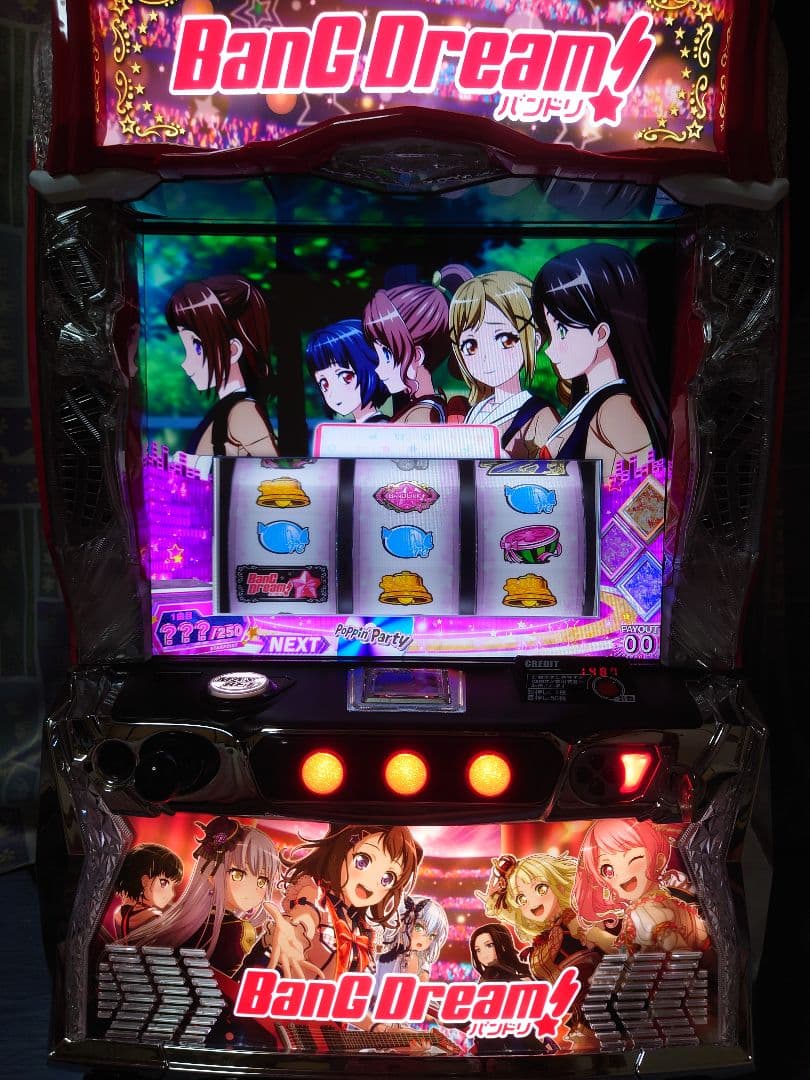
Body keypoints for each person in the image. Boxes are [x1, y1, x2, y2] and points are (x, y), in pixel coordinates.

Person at [531, 243, 668, 474]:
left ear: (601, 333)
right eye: (549, 331)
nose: (550, 349)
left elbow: (654, 486)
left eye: (561, 330)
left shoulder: (615, 408)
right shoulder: (593, 402)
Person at [125, 816, 316, 980]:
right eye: (238, 875)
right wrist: (263, 950)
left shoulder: (179, 923)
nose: (252, 889)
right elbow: (231, 990)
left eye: (262, 881)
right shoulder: (239, 930)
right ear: (211, 875)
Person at [280, 824, 423, 980]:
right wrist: (292, 935)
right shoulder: (315, 895)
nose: (371, 882)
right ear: (341, 852)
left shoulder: (362, 928)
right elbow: (305, 916)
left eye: (387, 878)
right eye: (363, 861)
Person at [445, 267, 558, 457]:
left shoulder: (540, 415)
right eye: (470, 345)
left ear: (535, 341)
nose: (486, 357)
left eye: (505, 339)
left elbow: (561, 471)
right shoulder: (477, 411)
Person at [165, 275, 278, 455]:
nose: (186, 363)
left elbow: (272, 466)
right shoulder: (227, 410)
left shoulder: (243, 412)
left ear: (233, 350)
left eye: (197, 347)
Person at [571, 817, 710, 954]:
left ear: (659, 861)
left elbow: (623, 952)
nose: (622, 874)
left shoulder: (645, 910)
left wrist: (595, 935)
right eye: (607, 869)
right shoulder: (670, 902)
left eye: (634, 858)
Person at [475, 851, 611, 984]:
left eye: (541, 888)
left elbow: (617, 948)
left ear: (558, 885)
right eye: (521, 899)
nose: (532, 902)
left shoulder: (575, 920)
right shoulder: (545, 937)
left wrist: (593, 935)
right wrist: (494, 901)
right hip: (563, 997)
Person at [362, 283, 457, 424]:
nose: (378, 368)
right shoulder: (422, 408)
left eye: (387, 355)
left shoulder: (422, 415)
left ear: (417, 356)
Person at [305, 318, 389, 423]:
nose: (333, 393)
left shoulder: (382, 425)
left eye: (345, 377)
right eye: (324, 384)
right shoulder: (350, 427)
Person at [375, 895, 449, 985]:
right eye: (419, 928)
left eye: (432, 936)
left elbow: (421, 984)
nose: (425, 940)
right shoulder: (384, 950)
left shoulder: (421, 961)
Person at [113, 843, 183, 937]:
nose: (172, 893)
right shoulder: (154, 919)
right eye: (164, 883)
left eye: (173, 885)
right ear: (145, 881)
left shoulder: (118, 913)